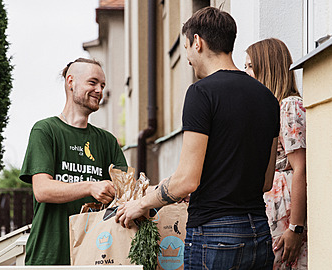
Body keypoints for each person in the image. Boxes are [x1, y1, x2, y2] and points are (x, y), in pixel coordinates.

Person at [115, 7, 279, 269]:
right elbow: (265, 181)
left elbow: (186, 180)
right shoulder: (268, 98)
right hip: (258, 231)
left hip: (215, 236)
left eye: (187, 47)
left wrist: (142, 203)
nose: (188, 57)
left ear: (198, 42)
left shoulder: (201, 93)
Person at [19, 58, 127, 265]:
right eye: (92, 82)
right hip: (49, 258)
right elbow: (42, 190)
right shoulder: (45, 130)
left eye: (102, 85)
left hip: (95, 258)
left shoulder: (107, 141)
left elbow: (127, 192)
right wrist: (90, 186)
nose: (99, 90)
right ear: (71, 82)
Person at [245, 38, 308, 269]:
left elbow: (301, 167)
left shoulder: (289, 105)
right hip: (271, 203)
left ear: (267, 66)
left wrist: (295, 227)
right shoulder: (270, 107)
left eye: (251, 66)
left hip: (287, 206)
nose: (246, 72)